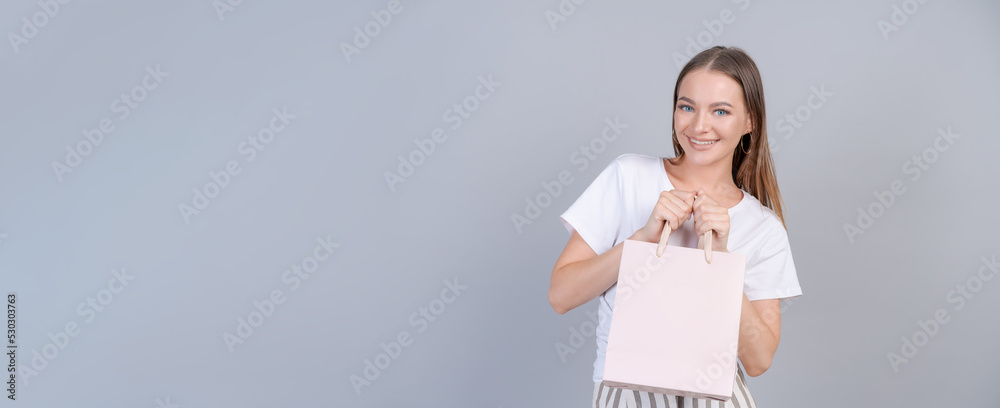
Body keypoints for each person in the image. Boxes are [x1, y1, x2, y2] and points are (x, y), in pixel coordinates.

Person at [549, 46, 803, 408]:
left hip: (716, 398)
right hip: (626, 393)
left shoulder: (764, 227)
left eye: (720, 111)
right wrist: (641, 239)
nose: (699, 125)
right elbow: (561, 295)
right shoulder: (629, 177)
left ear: (751, 122)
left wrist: (722, 259)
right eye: (687, 107)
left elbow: (759, 360)